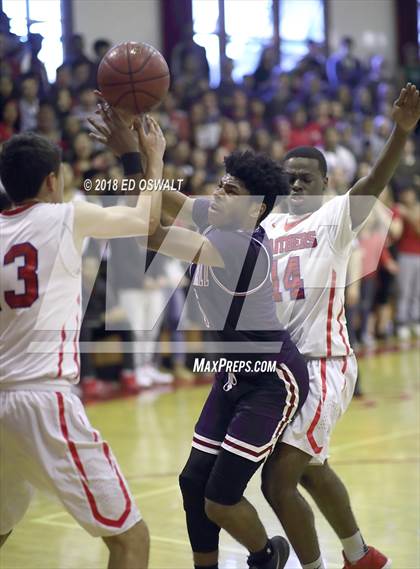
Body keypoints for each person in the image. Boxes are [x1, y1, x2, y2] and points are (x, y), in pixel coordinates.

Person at [93, 106, 310, 569]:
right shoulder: (222, 219)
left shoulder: (233, 244)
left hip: (272, 380)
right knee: (193, 482)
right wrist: (133, 154)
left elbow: (148, 231)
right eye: (220, 183)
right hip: (235, 372)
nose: (218, 192)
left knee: (219, 498)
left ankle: (266, 556)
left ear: (256, 209)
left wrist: (148, 160)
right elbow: (170, 201)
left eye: (230, 190)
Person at [260, 82, 420, 569]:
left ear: (327, 184)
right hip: (285, 371)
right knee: (309, 470)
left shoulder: (333, 217)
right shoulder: (266, 226)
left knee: (276, 481)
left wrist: (400, 131)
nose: (297, 185)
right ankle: (361, 555)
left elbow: (374, 180)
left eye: (307, 178)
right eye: (290, 178)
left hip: (323, 366)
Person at [0, 109, 166, 569]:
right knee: (131, 539)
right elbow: (145, 224)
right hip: (42, 400)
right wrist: (145, 159)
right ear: (53, 181)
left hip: (1, 399)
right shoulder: (65, 217)